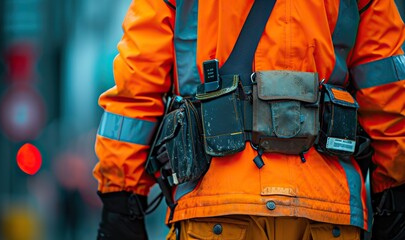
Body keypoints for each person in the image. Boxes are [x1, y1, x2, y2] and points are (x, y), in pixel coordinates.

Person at [93, 0, 405, 239]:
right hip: (327, 210)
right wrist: (394, 199)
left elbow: (137, 87)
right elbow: (387, 94)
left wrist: (121, 199)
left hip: (214, 204)